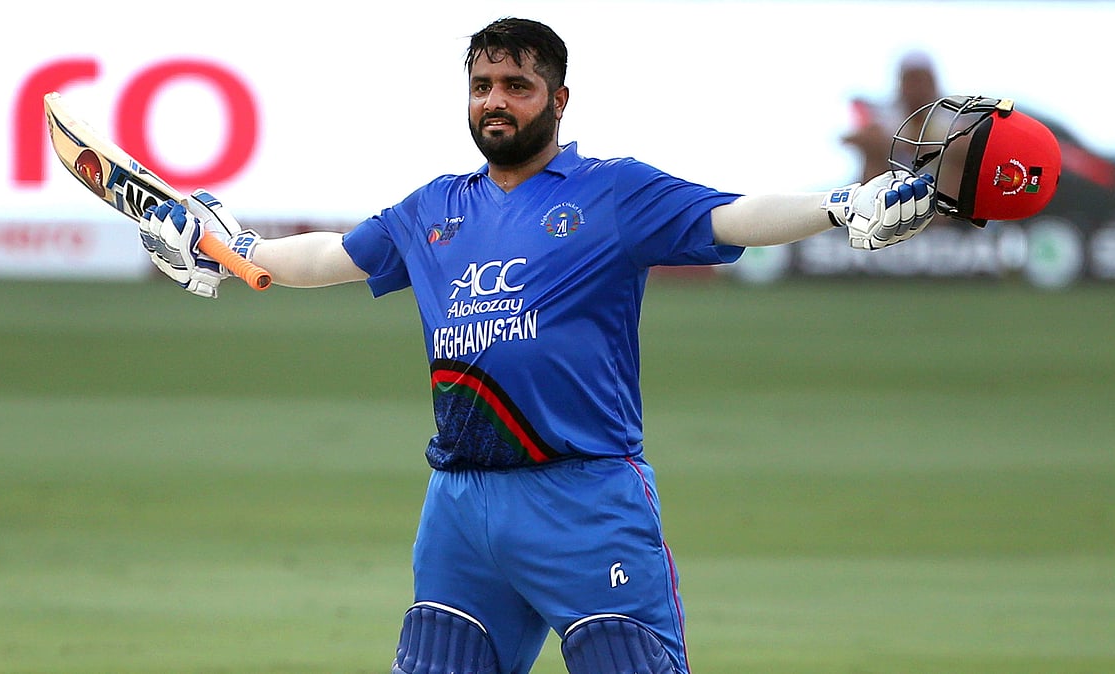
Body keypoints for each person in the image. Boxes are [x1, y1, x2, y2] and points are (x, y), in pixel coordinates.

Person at [138, 17, 935, 674]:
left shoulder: (613, 192)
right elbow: (328, 258)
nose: (496, 102)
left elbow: (731, 217)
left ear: (558, 100)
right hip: (460, 507)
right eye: (482, 86)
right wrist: (226, 246)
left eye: (516, 87)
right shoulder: (435, 208)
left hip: (585, 500)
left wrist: (842, 207)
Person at [843, 50, 943, 183]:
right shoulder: (889, 114)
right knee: (873, 149)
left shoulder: (951, 113)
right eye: (911, 81)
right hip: (892, 184)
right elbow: (850, 138)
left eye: (921, 80)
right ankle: (873, 201)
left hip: (940, 180)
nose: (917, 88)